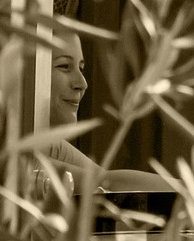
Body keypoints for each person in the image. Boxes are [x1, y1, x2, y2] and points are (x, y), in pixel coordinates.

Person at [43, 28, 170, 190]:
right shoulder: (18, 154)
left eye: (81, 68)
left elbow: (106, 181)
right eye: (64, 66)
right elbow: (107, 184)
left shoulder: (50, 144)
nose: (82, 84)